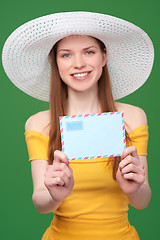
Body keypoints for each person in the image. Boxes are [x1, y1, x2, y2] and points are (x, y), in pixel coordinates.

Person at [2, 11, 154, 240]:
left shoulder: (133, 117)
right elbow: (40, 202)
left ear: (104, 56)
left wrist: (134, 188)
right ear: (55, 62)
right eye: (66, 55)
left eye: (89, 52)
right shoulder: (39, 123)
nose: (79, 63)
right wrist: (54, 195)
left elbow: (143, 201)